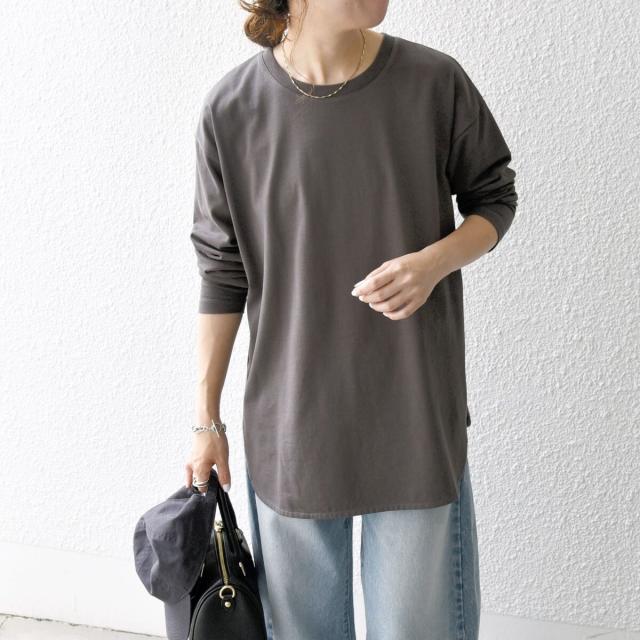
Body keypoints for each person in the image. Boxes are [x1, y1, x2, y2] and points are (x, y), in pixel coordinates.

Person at [184, 1, 518, 638]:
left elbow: (494, 197)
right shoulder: (232, 109)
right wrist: (206, 420)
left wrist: (434, 262)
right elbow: (222, 272)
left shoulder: (433, 82)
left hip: (413, 412)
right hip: (293, 426)